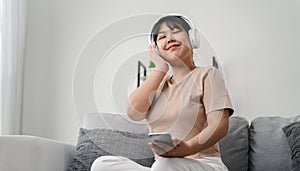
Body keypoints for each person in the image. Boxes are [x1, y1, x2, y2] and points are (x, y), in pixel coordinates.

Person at [91, 14, 234, 171]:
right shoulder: (157, 85)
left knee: (163, 165)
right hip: (163, 167)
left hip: (205, 164)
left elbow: (219, 126)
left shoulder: (208, 74)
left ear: (192, 38)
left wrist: (186, 149)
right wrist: (160, 68)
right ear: (156, 49)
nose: (170, 38)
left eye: (175, 31)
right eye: (162, 37)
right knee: (102, 165)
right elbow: (133, 113)